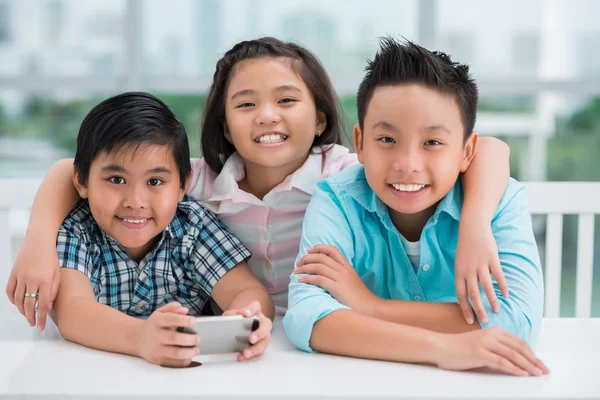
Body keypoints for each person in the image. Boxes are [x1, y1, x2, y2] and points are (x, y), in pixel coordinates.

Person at [8, 37, 510, 327]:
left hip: (334, 333)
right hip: (237, 339)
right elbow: (65, 172)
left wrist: (474, 227)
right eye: (246, 104)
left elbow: (489, 149)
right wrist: (37, 244)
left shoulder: (345, 173)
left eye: (287, 100)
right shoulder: (195, 183)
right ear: (225, 125)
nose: (267, 116)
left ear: (319, 118)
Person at [284, 37, 548, 377]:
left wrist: (371, 308)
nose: (408, 164)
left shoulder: (497, 202)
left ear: (467, 151)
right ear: (361, 143)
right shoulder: (336, 202)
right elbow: (307, 317)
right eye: (387, 140)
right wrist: (444, 348)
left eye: (433, 143)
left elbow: (517, 324)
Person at [48, 92, 273, 367]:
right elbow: (72, 312)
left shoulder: (192, 226)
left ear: (182, 186)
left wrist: (247, 319)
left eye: (155, 181)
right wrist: (140, 337)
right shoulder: (77, 231)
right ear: (82, 181)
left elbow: (248, 290)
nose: (135, 202)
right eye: (116, 179)